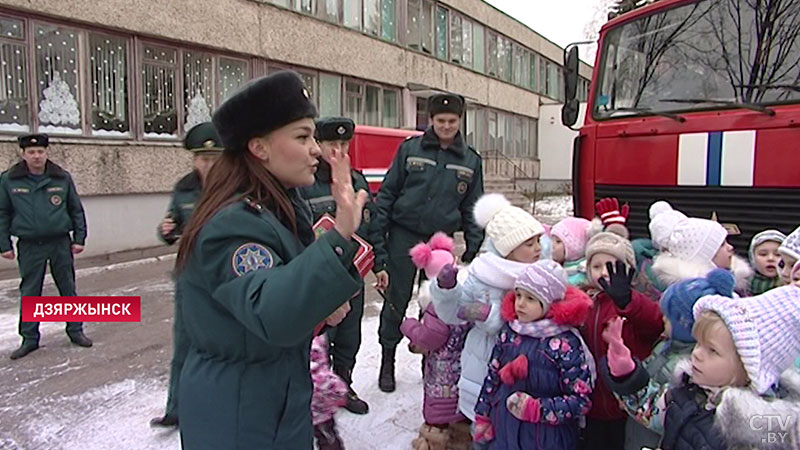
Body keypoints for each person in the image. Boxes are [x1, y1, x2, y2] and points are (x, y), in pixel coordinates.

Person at [173, 71, 368, 449]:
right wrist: (341, 234)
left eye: (313, 136)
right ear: (259, 148)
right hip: (241, 416)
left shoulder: (276, 209)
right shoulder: (233, 223)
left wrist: (319, 308)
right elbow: (270, 312)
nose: (316, 150)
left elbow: (270, 303)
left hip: (272, 403)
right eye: (302, 136)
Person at [372, 93, 484, 392]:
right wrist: (378, 244)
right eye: (440, 121)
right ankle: (387, 361)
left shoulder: (471, 160)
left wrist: (473, 249)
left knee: (435, 305)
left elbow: (473, 208)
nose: (446, 126)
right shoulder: (410, 149)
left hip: (441, 245)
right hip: (404, 237)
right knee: (396, 302)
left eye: (452, 121)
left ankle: (430, 363)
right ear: (430, 120)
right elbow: (387, 194)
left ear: (460, 121)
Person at [606, 284, 800, 449]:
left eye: (712, 350)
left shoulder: (760, 431)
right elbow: (651, 411)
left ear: (749, 367)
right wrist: (628, 376)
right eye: (698, 343)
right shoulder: (689, 392)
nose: (697, 353)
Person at [430, 193, 545, 445]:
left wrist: (490, 315)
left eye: (539, 240)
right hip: (482, 363)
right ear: (508, 248)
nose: (538, 248)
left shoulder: (543, 275)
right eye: (529, 243)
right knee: (484, 433)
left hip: (527, 367)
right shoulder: (482, 273)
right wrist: (446, 290)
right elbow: (455, 313)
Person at [599, 269, 735, 450]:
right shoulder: (666, 346)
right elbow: (650, 401)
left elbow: (658, 412)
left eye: (669, 317)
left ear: (685, 325)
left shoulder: (689, 370)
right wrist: (626, 375)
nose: (662, 318)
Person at [474, 261, 595, 450]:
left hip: (547, 439)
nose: (520, 303)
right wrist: (483, 414)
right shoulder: (510, 331)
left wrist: (538, 409)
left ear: (550, 304)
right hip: (504, 429)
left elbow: (581, 400)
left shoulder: (564, 344)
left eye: (530, 298)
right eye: (518, 295)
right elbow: (492, 376)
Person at [150, 122, 223, 428]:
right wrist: (166, 231)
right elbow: (172, 225)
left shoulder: (235, 187)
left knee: (223, 346)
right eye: (203, 159)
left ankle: (219, 405)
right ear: (194, 159)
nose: (208, 164)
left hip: (224, 277)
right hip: (190, 278)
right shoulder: (183, 189)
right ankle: (176, 408)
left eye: (215, 158)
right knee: (184, 344)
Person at [299, 116, 373, 414]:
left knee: (349, 335)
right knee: (317, 338)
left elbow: (372, 223)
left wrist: (378, 263)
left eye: (345, 144)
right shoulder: (305, 182)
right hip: (317, 278)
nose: (339, 151)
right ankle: (315, 389)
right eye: (333, 144)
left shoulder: (357, 180)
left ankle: (343, 385)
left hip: (351, 274)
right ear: (319, 145)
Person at [0, 133, 90, 360]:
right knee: (31, 292)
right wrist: (4, 244)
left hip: (60, 242)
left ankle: (75, 330)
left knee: (67, 288)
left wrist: (79, 238)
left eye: (40, 151)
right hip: (30, 245)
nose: (36, 156)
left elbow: (75, 209)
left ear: (46, 153)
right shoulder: (9, 180)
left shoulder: (61, 178)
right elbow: (2, 213)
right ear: (23, 154)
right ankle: (29, 339)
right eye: (31, 152)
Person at [579, 231, 664, 450]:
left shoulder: (633, 303)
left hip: (625, 404)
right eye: (596, 267)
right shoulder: (586, 303)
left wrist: (627, 300)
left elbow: (654, 323)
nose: (603, 273)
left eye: (611, 266)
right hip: (594, 402)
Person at [402, 233, 472, 450]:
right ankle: (462, 441)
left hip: (444, 375)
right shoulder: (467, 296)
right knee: (461, 413)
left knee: (441, 412)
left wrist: (409, 325)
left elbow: (430, 339)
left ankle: (435, 442)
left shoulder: (436, 307)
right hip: (466, 368)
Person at [746, 229, 785, 295]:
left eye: (778, 254)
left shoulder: (794, 287)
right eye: (763, 254)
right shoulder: (740, 286)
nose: (770, 258)